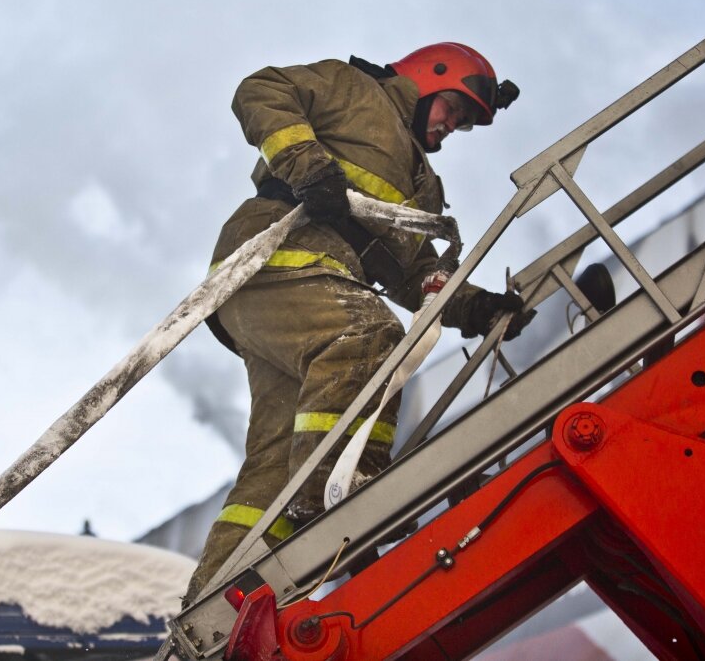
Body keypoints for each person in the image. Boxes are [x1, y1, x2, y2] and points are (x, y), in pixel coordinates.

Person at [185, 42, 534, 602]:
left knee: (274, 468)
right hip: (277, 256)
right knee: (367, 340)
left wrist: (477, 307)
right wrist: (306, 164)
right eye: (453, 111)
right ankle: (340, 497)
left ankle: (222, 600)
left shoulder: (424, 183)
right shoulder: (352, 89)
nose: (451, 129)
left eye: (463, 125)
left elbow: (417, 272)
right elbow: (261, 89)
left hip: (304, 291)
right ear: (429, 76)